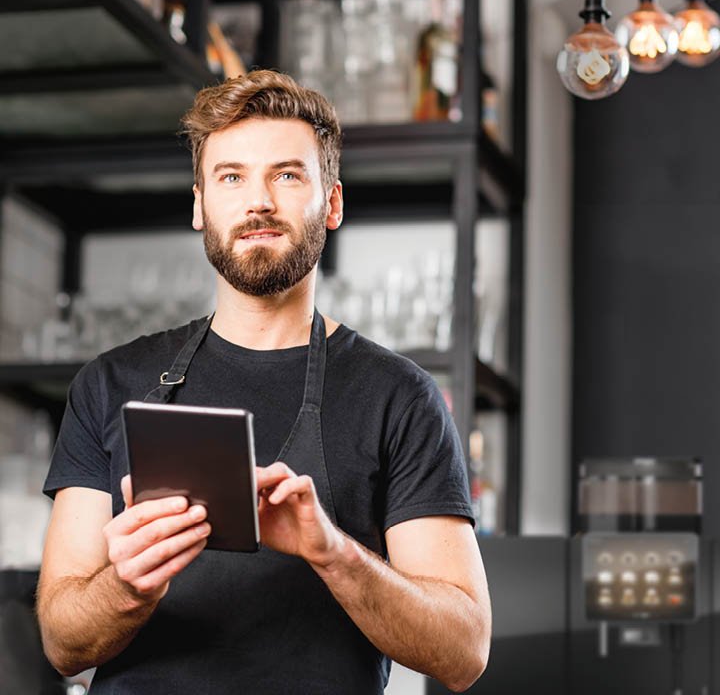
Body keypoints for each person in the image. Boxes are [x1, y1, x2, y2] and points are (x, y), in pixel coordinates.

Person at [36, 70, 491, 694]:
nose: (258, 202)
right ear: (200, 205)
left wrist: (332, 551)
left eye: (286, 174)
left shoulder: (399, 397)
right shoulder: (111, 383)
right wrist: (127, 584)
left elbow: (464, 650)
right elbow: (62, 644)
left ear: (331, 203)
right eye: (231, 177)